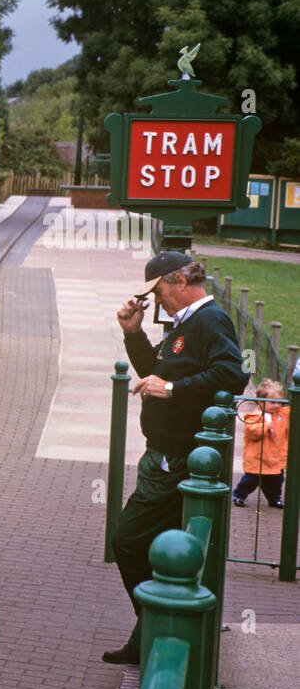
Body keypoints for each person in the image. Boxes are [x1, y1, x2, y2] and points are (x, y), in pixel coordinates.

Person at [105, 252, 248, 665]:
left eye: (160, 290)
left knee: (128, 540)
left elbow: (230, 373)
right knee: (148, 544)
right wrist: (133, 334)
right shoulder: (186, 323)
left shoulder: (209, 320)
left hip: (179, 458)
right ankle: (146, 635)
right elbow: (157, 369)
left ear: (180, 281)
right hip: (166, 453)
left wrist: (172, 390)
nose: (158, 300)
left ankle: (156, 624)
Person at [232, 379, 288, 508]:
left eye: (279, 402)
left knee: (276, 481)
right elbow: (252, 431)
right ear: (260, 402)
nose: (276, 405)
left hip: (274, 459)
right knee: (250, 480)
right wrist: (266, 426)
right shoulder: (255, 415)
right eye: (272, 402)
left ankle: (274, 499)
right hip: (258, 458)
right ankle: (239, 495)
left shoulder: (282, 415)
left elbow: (292, 410)